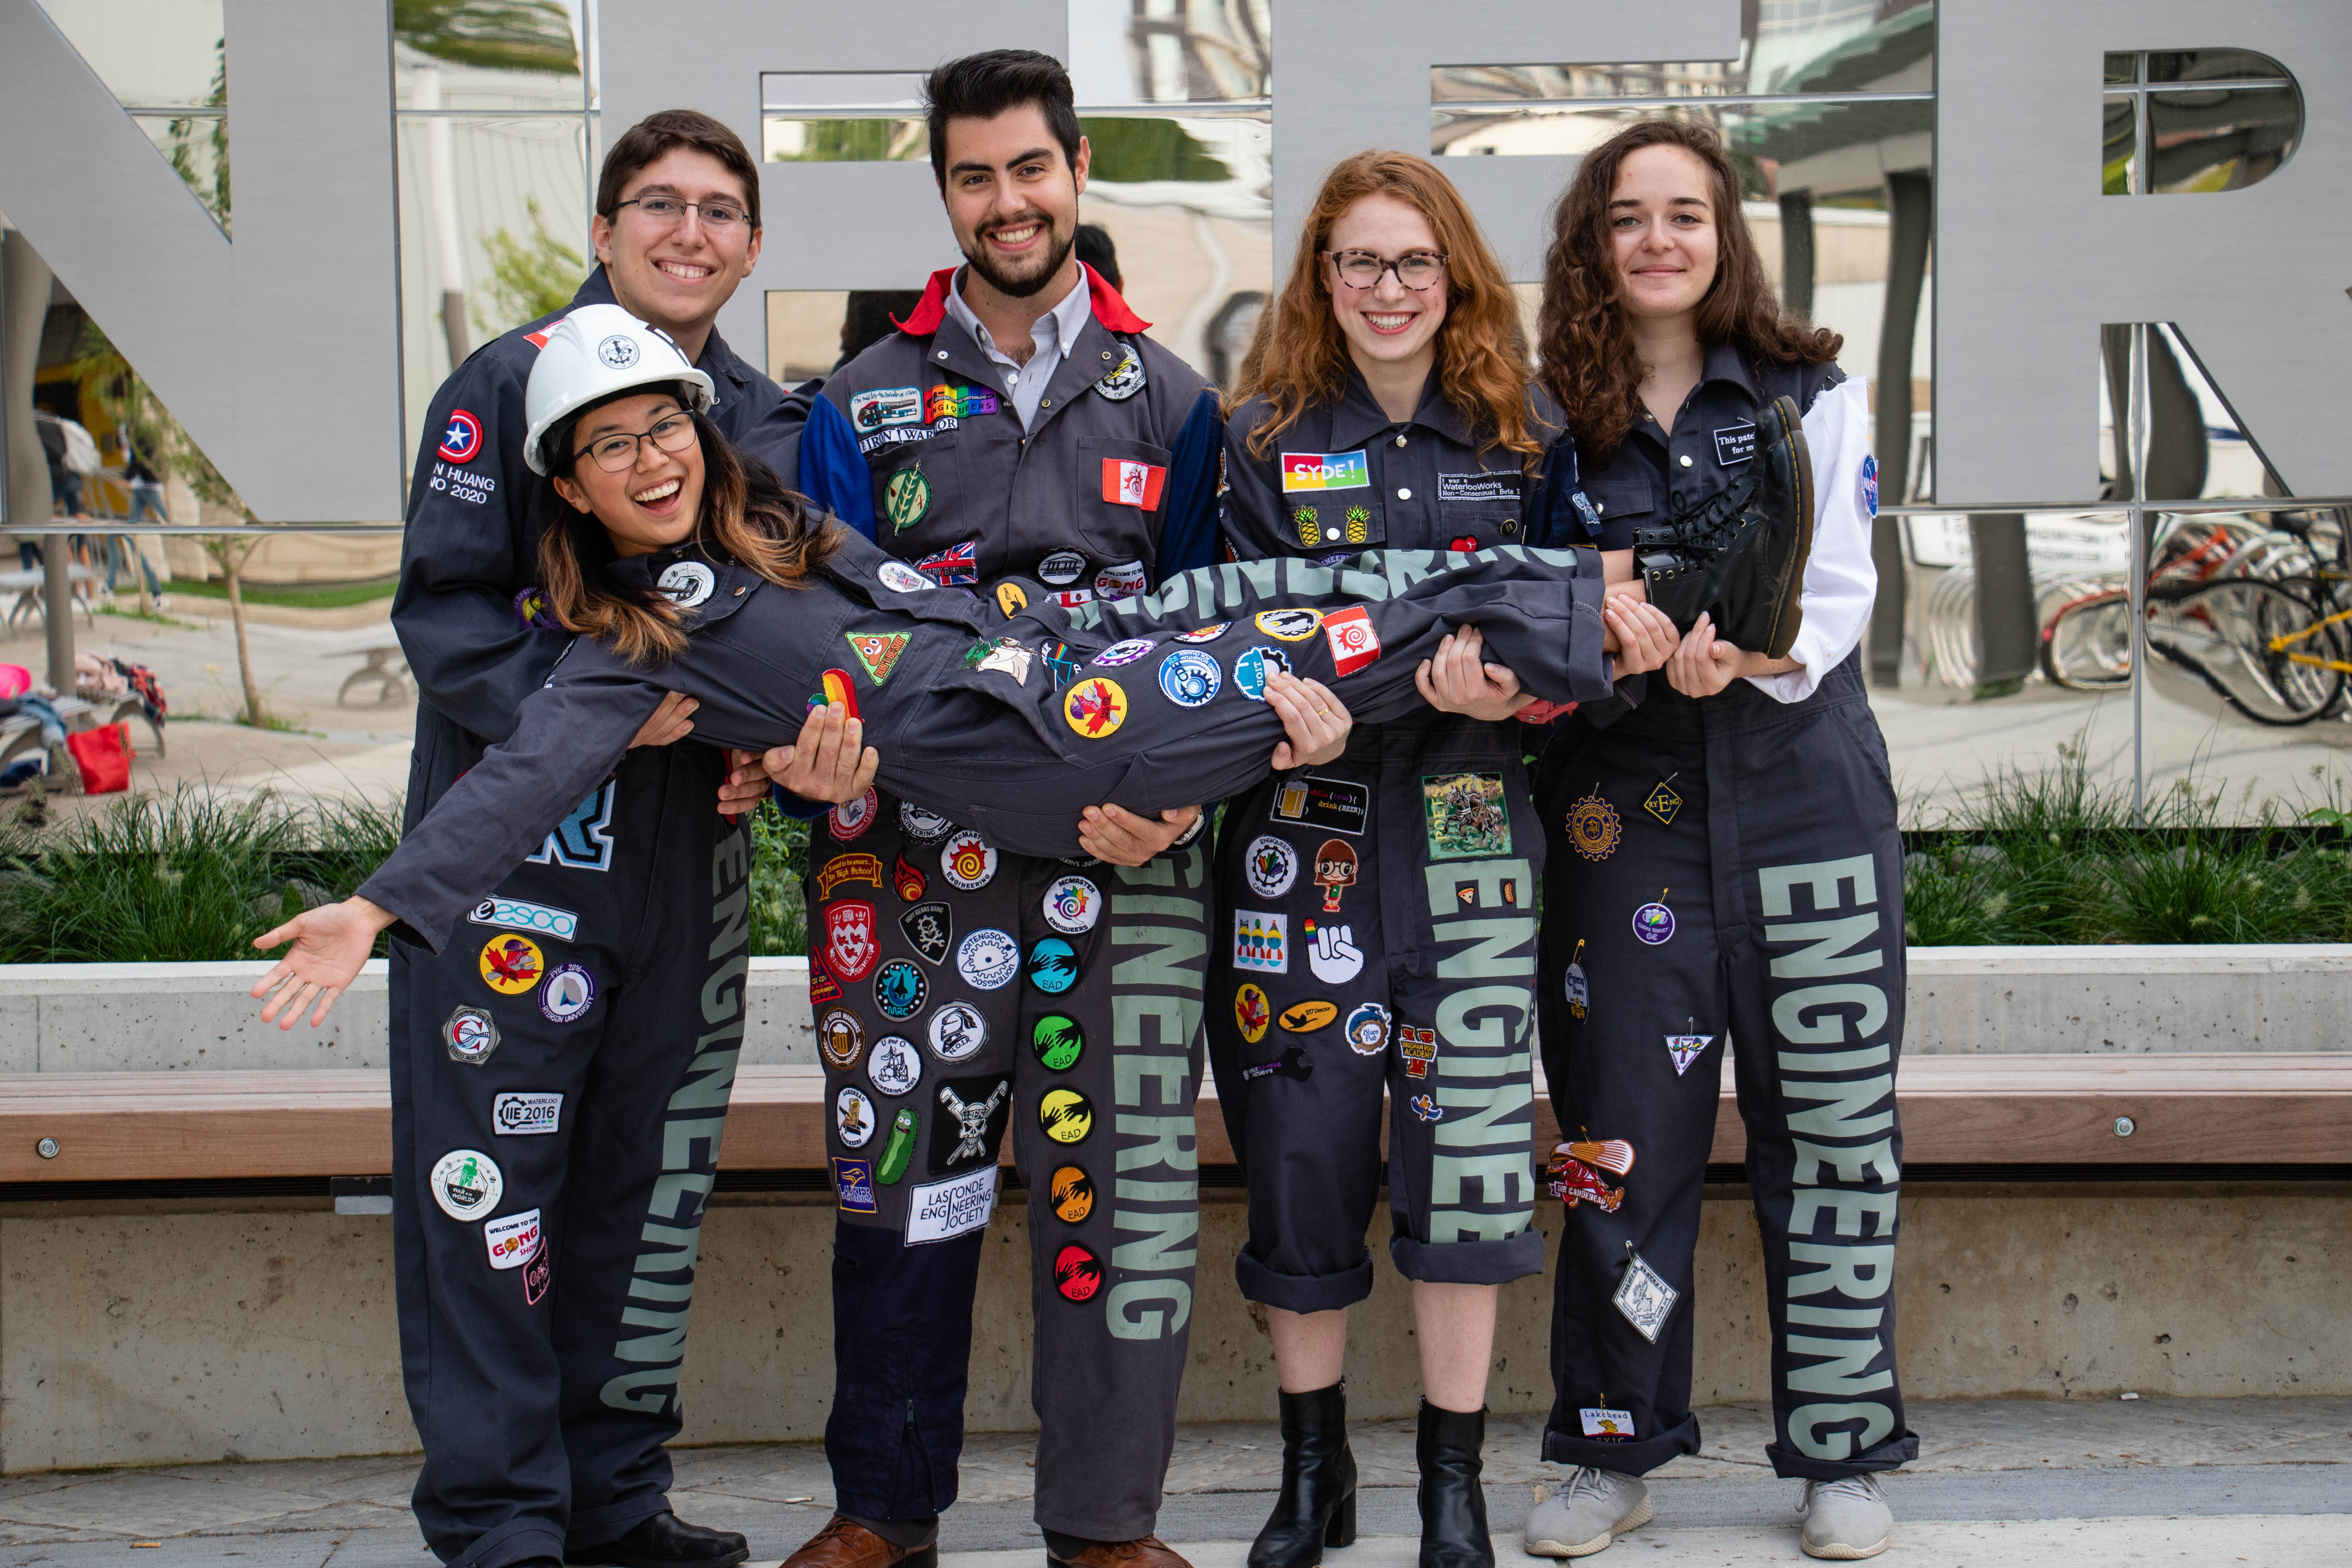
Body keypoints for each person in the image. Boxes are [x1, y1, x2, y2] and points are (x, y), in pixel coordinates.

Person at [253, 305, 1638, 1040]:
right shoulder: (625, 651)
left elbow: (934, 605)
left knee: (1344, 622)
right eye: (606, 449)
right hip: (1053, 747)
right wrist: (377, 911)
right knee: (1364, 637)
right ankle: (1632, 606)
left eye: (659, 427)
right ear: (567, 488)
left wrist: (1064, 637)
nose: (651, 462)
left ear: (694, 424)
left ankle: (1615, 606)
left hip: (1072, 680)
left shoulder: (778, 528)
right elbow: (521, 780)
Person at [774, 52, 1231, 1568]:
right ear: (947, 193)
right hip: (906, 872)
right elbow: (815, 634)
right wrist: (815, 755)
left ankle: (1104, 1526)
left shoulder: (1172, 401)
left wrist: (1170, 806)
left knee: (1109, 1194)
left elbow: (1203, 641)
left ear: (1076, 171)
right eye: (975, 176)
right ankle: (883, 1512)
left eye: (1029, 169)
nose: (1006, 201)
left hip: (1118, 868)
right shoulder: (859, 400)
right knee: (906, 1191)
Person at [1206, 151, 1679, 1568]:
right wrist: (1276, 711)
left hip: (1475, 830)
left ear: (1456, 273)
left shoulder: (1526, 434)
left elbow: (1581, 652)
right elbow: (1224, 649)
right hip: (1306, 840)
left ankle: (1452, 1485)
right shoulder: (1261, 434)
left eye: (1417, 262)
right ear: (1322, 280)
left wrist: (1519, 698)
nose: (1389, 289)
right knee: (1301, 1157)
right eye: (1360, 263)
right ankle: (1314, 1476)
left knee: (1467, 1161)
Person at [385, 108, 807, 1568]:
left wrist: (765, 747)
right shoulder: (506, 386)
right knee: (490, 1206)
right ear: (604, 230)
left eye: (718, 210)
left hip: (686, 879)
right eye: (657, 205)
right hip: (520, 880)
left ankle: (616, 1507)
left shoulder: (761, 416)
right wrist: (588, 719)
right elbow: (443, 617)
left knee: (643, 1197)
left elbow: (786, 638)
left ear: (751, 248)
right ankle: (504, 1525)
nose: (688, 232)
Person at [1513, 120, 1906, 1563]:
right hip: (1627, 823)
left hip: (1808, 799)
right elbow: (1532, 601)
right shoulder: (1550, 416)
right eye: (1630, 218)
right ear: (1594, 243)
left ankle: (1844, 1450)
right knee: (1623, 1146)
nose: (1660, 241)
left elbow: (1843, 586)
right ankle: (1612, 1449)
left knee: (1837, 1137)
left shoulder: (1813, 387)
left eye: (1687, 214)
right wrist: (1607, 639)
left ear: (1726, 234)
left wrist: (1739, 651)